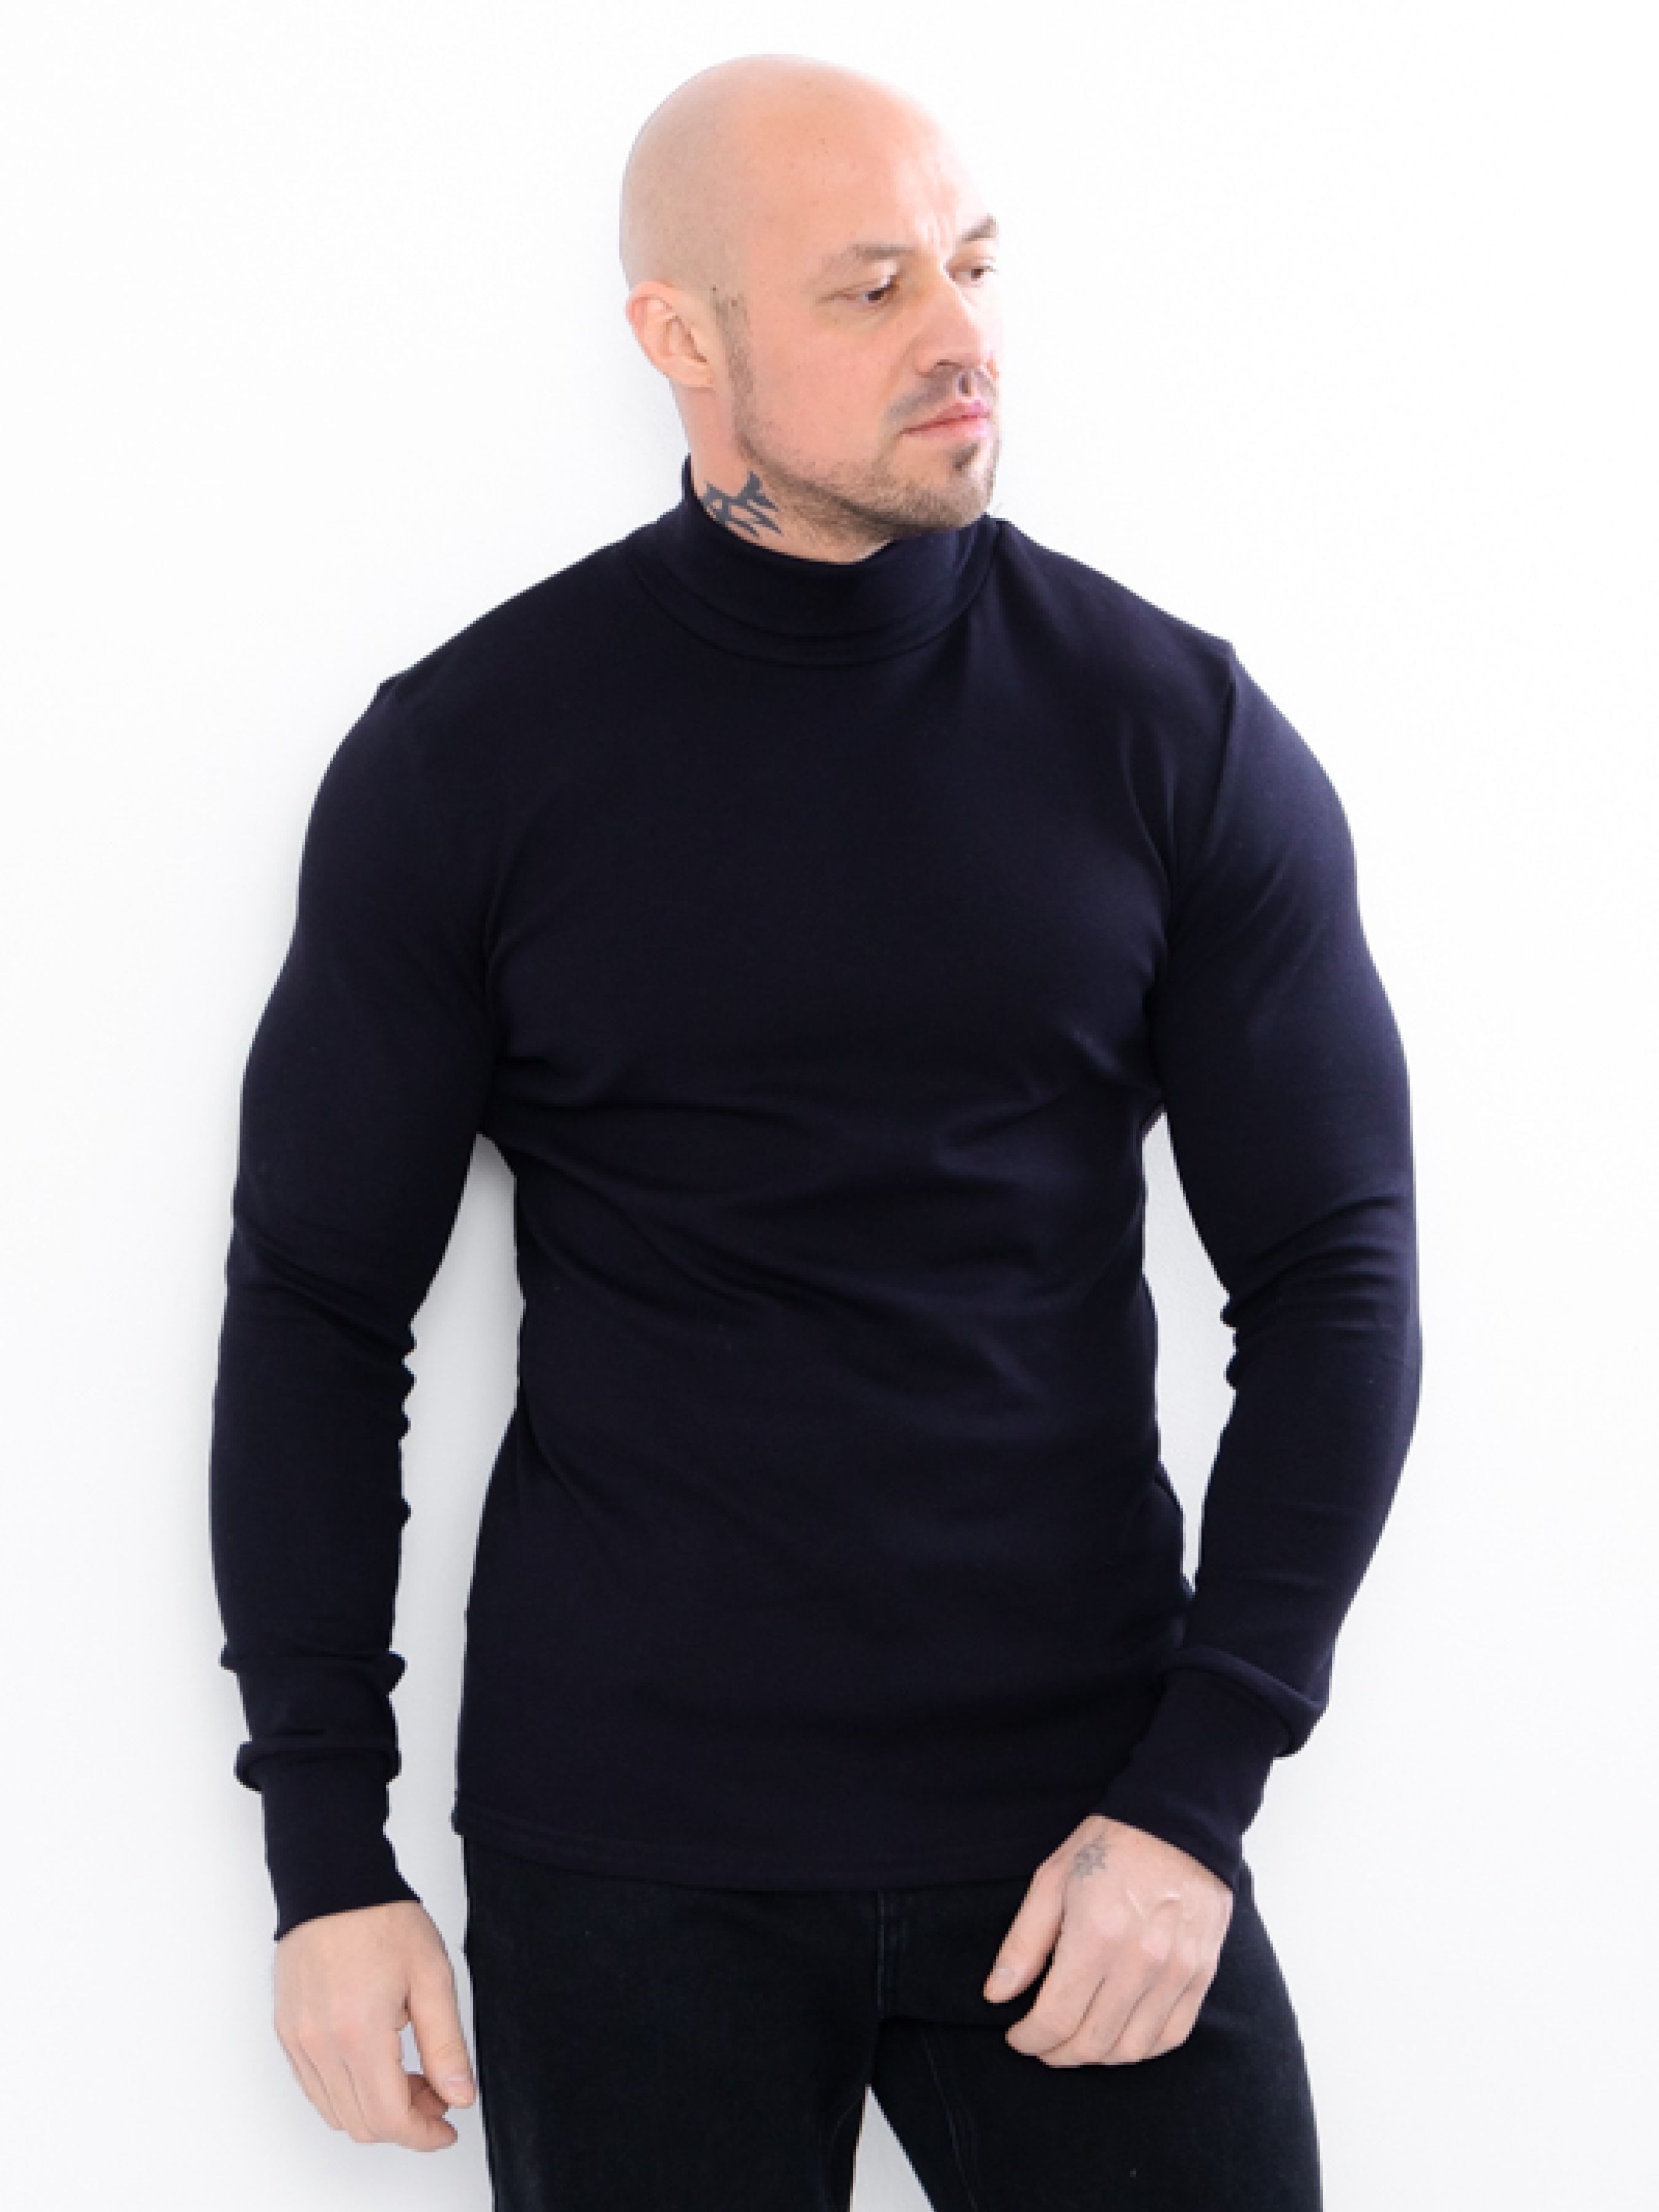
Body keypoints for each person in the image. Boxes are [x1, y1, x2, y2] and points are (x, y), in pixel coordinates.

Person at [208, 49, 1421, 2211]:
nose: (959, 334)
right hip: (626, 1854)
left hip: (1081, 1841)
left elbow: (1335, 1281)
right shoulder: (470, 761)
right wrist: (326, 1858)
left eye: (971, 266)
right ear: (679, 336)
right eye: (869, 288)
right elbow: (316, 1309)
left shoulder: (1170, 733)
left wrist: (1194, 1798)